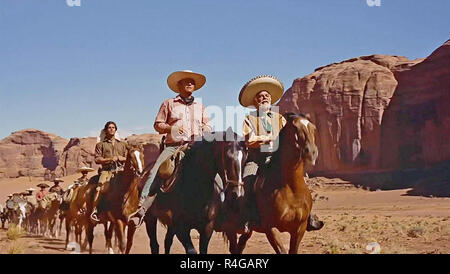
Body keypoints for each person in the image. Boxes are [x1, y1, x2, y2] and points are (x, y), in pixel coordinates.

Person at [238, 75, 323, 231]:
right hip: (257, 158)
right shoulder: (250, 118)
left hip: (277, 158)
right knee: (247, 182)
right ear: (255, 102)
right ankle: (248, 218)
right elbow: (249, 140)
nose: (264, 98)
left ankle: (308, 215)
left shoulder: (280, 119)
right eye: (260, 97)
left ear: (271, 99)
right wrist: (267, 138)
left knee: (301, 181)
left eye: (266, 96)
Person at [128, 70, 212, 227]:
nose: (190, 84)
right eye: (186, 81)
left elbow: (207, 124)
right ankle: (142, 208)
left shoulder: (200, 106)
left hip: (196, 146)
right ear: (178, 85)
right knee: (157, 171)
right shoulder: (168, 103)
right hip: (174, 146)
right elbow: (157, 124)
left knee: (215, 170)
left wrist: (205, 130)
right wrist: (171, 129)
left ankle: (222, 207)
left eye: (192, 82)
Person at [90, 121, 128, 222]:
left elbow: (128, 158)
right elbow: (97, 159)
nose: (111, 129)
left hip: (121, 170)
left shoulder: (122, 144)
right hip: (106, 171)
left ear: (116, 130)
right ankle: (95, 210)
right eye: (109, 128)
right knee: (100, 188)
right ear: (106, 130)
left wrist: (120, 158)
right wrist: (110, 159)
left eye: (113, 127)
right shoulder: (100, 145)